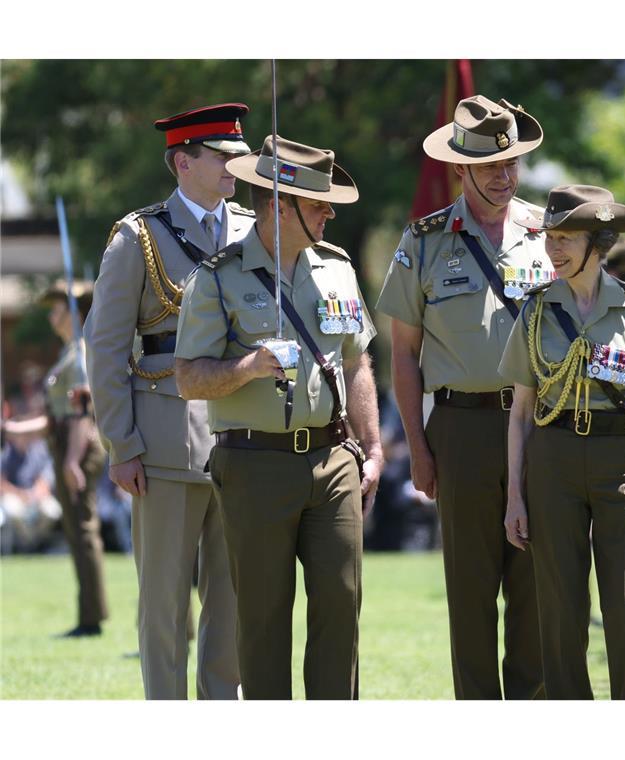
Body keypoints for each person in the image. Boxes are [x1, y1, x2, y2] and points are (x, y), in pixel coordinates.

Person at [174, 135, 384, 699]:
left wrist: (373, 446)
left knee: (342, 606)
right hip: (253, 463)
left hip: (335, 460)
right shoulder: (216, 277)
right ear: (277, 205)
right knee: (264, 619)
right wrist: (248, 366)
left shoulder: (338, 268)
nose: (330, 212)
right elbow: (188, 377)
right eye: (318, 202)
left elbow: (357, 360)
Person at [375, 95, 548, 700]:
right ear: (461, 170)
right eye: (491, 166)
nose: (504, 177)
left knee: (537, 588)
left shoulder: (548, 234)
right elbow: (402, 354)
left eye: (513, 164)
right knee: (471, 591)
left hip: (540, 427)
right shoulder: (423, 242)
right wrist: (418, 447)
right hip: (463, 428)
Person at [498, 185, 625, 699]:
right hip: (553, 457)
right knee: (561, 605)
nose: (553, 250)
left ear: (597, 242)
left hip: (623, 459)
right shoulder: (536, 311)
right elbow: (520, 411)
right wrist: (515, 496)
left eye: (566, 239)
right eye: (550, 238)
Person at [85, 103, 250, 699]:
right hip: (162, 443)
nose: (238, 163)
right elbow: (103, 347)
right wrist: (121, 444)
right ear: (184, 162)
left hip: (242, 437)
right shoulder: (139, 237)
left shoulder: (256, 230)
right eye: (224, 155)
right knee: (163, 608)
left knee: (232, 605)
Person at [41, 280, 109, 637]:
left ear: (72, 312)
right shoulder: (70, 350)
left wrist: (71, 459)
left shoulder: (80, 351)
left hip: (77, 444)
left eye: (57, 308)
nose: (52, 315)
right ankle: (89, 613)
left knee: (83, 531)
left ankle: (91, 618)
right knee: (77, 529)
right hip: (66, 441)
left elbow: (83, 411)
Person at [0, 416, 60, 555]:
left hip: (35, 497)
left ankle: (33, 544)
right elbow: (1, 483)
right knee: (12, 509)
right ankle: (28, 546)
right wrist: (20, 494)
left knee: (52, 511)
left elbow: (44, 481)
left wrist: (34, 494)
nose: (23, 437)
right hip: (14, 497)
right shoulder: (6, 453)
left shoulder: (39, 451)